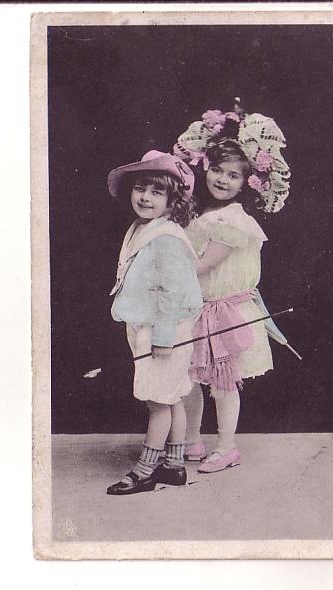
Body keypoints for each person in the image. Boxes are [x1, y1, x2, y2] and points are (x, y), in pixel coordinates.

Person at [173, 102, 290, 473]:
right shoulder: (204, 216)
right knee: (190, 376)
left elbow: (201, 265)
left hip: (226, 311)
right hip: (198, 307)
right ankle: (192, 439)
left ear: (248, 182)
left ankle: (226, 447)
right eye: (218, 171)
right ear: (205, 167)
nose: (223, 180)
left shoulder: (234, 221)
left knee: (222, 381)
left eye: (234, 176)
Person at [106, 150, 203, 495]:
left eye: (156, 192)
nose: (145, 197)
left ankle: (145, 471)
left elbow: (173, 295)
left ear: (172, 201)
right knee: (170, 395)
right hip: (150, 327)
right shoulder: (143, 228)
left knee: (158, 402)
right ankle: (174, 466)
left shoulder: (166, 238)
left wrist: (163, 337)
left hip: (165, 331)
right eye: (141, 189)